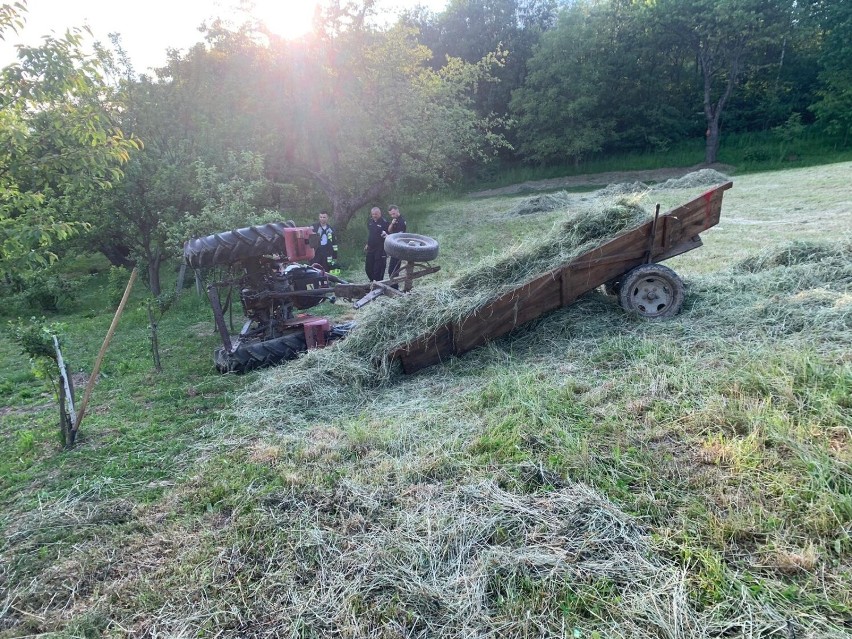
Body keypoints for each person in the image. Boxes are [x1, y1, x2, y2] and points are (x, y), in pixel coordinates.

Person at [364, 206, 388, 281]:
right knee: (368, 268)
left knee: (378, 269)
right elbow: (371, 234)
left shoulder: (384, 223)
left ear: (380, 213)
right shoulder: (370, 222)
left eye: (376, 214)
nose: (374, 216)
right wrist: (367, 244)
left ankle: (378, 284)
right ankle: (372, 282)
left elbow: (389, 235)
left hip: (380, 249)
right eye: (373, 214)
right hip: (371, 248)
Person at [385, 205, 407, 278]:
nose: (392, 216)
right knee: (391, 269)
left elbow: (399, 236)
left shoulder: (402, 221)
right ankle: (393, 284)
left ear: (397, 210)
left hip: (398, 246)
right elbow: (389, 230)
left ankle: (395, 286)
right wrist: (392, 223)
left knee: (394, 269)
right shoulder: (395, 220)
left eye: (393, 213)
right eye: (390, 214)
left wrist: (388, 237)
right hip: (394, 246)